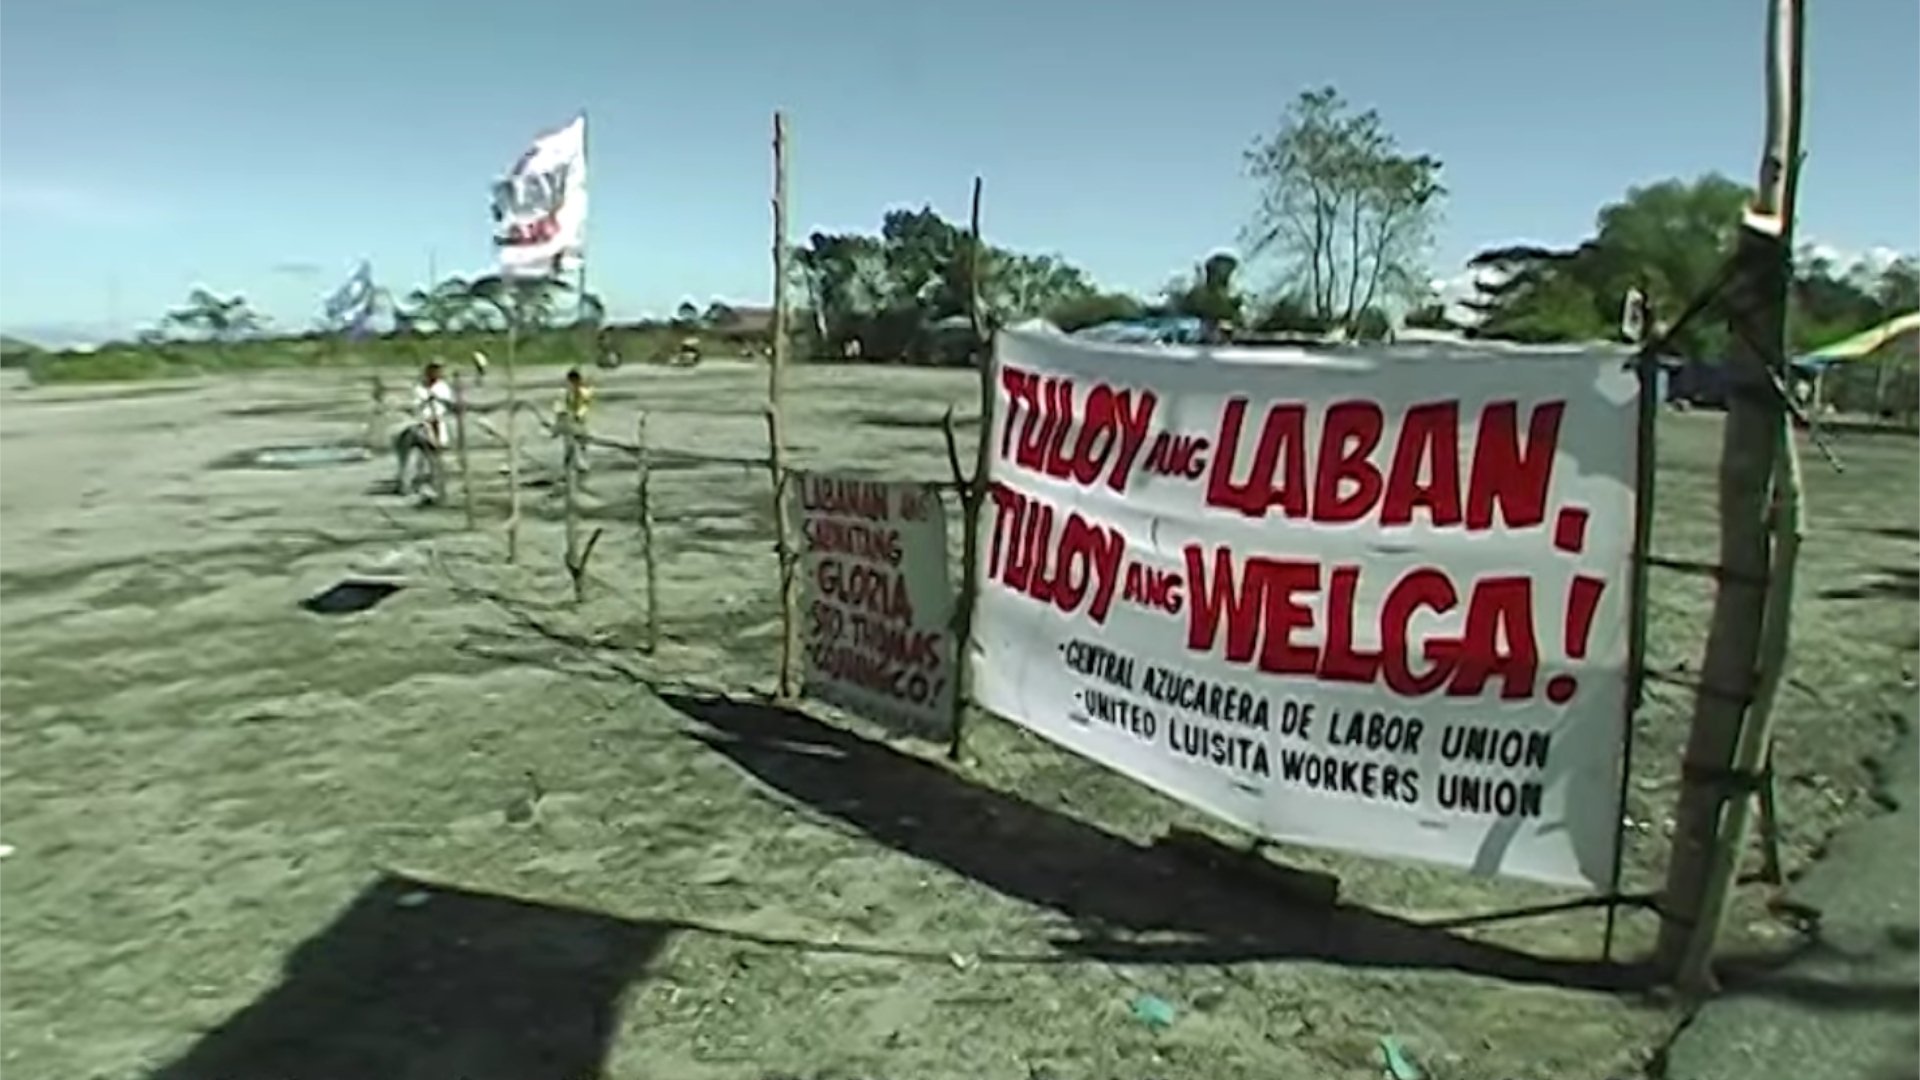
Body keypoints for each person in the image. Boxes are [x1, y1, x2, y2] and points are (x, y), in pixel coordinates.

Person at [395, 361, 455, 501]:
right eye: (433, 370)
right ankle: (406, 484)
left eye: (438, 370)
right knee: (412, 456)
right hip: (421, 423)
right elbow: (415, 407)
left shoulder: (443, 387)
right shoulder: (418, 388)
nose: (436, 373)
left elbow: (446, 405)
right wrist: (426, 401)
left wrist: (436, 400)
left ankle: (435, 484)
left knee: (435, 457)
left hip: (437, 423)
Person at [550, 367, 595, 475]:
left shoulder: (584, 392)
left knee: (582, 442)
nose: (575, 383)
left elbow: (585, 406)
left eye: (577, 381)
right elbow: (559, 409)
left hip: (579, 423)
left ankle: (579, 462)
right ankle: (569, 465)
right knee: (570, 443)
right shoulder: (563, 393)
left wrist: (578, 415)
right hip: (568, 422)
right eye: (573, 381)